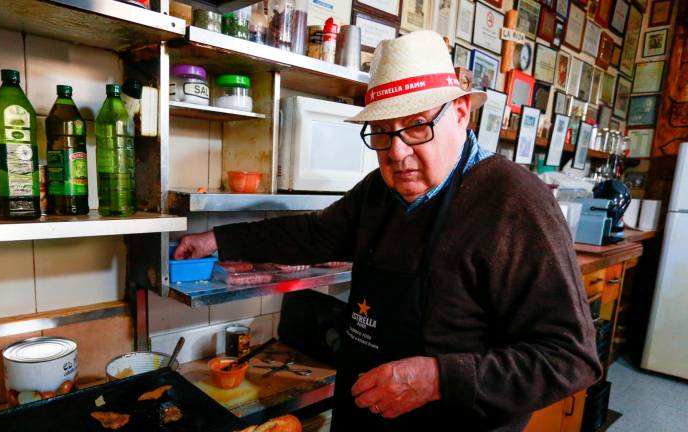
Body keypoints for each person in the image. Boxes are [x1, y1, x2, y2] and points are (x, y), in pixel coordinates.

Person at [174, 31, 601, 431]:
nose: (396, 152)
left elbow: (569, 358)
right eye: (381, 132)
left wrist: (438, 378)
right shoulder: (379, 192)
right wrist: (218, 240)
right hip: (362, 415)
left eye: (417, 125)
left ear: (460, 113)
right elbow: (312, 234)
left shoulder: (515, 203)